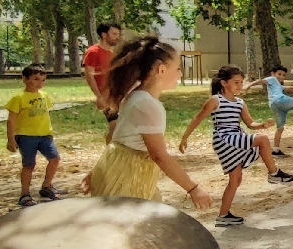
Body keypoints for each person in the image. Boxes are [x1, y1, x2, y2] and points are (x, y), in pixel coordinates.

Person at [80, 36, 212, 211]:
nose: (180, 74)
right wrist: (194, 188)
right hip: (128, 177)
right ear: (161, 70)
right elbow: (159, 155)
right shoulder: (146, 104)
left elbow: (117, 137)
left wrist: (98, 170)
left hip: (123, 170)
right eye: (178, 68)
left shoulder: (136, 96)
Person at [178, 65, 293, 226]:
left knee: (235, 180)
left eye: (241, 82)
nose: (240, 86)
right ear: (224, 83)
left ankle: (223, 216)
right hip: (224, 138)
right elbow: (197, 118)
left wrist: (262, 125)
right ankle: (274, 173)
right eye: (236, 82)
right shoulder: (215, 100)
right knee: (262, 140)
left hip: (237, 136)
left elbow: (250, 123)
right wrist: (185, 137)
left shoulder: (240, 103)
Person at [5, 65, 63, 207]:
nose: (40, 83)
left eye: (43, 80)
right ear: (25, 79)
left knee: (54, 158)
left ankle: (47, 186)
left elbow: (44, 115)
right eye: (36, 79)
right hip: (26, 136)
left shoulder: (44, 96)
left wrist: (49, 131)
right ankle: (25, 194)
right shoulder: (18, 98)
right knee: (29, 164)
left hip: (45, 135)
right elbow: (11, 120)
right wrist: (11, 139)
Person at [244, 65, 293, 156]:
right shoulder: (272, 79)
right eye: (279, 74)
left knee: (280, 128)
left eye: (283, 75)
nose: (281, 76)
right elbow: (261, 81)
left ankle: (276, 150)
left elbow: (291, 88)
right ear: (273, 73)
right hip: (280, 100)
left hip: (275, 106)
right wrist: (248, 85)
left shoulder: (279, 85)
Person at [83, 22, 122, 144]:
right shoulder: (93, 51)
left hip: (116, 95)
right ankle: (109, 155)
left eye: (118, 34)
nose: (117, 37)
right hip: (105, 96)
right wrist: (99, 96)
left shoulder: (113, 54)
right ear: (104, 35)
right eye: (114, 34)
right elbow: (89, 75)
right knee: (114, 126)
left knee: (119, 127)